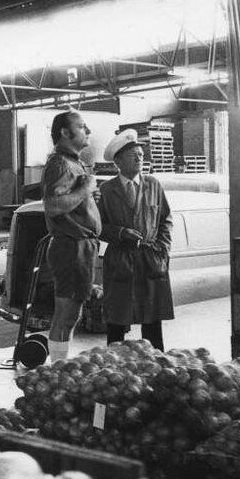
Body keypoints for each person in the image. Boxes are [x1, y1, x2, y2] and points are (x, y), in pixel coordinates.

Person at [97, 128, 174, 350]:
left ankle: (156, 365)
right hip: (121, 260)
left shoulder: (153, 184)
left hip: (150, 258)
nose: (140, 158)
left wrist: (162, 249)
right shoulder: (107, 190)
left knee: (152, 321)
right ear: (118, 161)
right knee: (117, 320)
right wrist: (120, 233)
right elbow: (97, 226)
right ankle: (114, 366)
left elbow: (165, 219)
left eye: (141, 154)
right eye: (133, 155)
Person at [41, 111, 101, 362]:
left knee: (71, 313)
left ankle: (62, 364)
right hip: (71, 247)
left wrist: (86, 198)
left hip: (80, 247)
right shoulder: (61, 163)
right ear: (65, 132)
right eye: (82, 127)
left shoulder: (73, 162)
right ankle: (59, 368)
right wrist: (85, 190)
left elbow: (68, 200)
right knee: (66, 313)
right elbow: (53, 206)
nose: (87, 131)